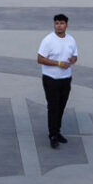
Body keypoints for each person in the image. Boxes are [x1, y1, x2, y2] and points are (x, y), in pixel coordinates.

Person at [36, 13, 78, 149]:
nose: (59, 26)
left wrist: (73, 60)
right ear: (54, 25)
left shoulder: (71, 39)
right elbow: (40, 59)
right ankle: (52, 135)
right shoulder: (48, 40)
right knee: (53, 106)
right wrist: (58, 63)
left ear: (66, 25)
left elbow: (75, 55)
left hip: (66, 79)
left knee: (61, 106)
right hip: (51, 79)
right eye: (56, 23)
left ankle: (57, 131)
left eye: (61, 23)